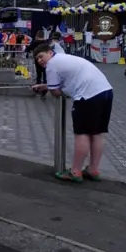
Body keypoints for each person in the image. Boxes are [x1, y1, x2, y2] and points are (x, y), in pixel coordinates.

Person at [32, 44, 113, 183]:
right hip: (105, 91)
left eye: (41, 56)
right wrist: (46, 86)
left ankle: (75, 172)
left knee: (82, 133)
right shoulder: (64, 58)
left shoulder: (51, 65)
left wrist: (50, 89)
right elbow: (66, 80)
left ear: (50, 53)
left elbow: (55, 91)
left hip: (87, 96)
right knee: (96, 133)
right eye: (37, 59)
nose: (40, 60)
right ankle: (93, 169)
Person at [25, 30, 48, 98]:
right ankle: (44, 91)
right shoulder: (46, 43)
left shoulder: (34, 43)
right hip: (45, 61)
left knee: (38, 75)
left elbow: (27, 49)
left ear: (37, 35)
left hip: (37, 61)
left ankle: (37, 89)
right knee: (45, 76)